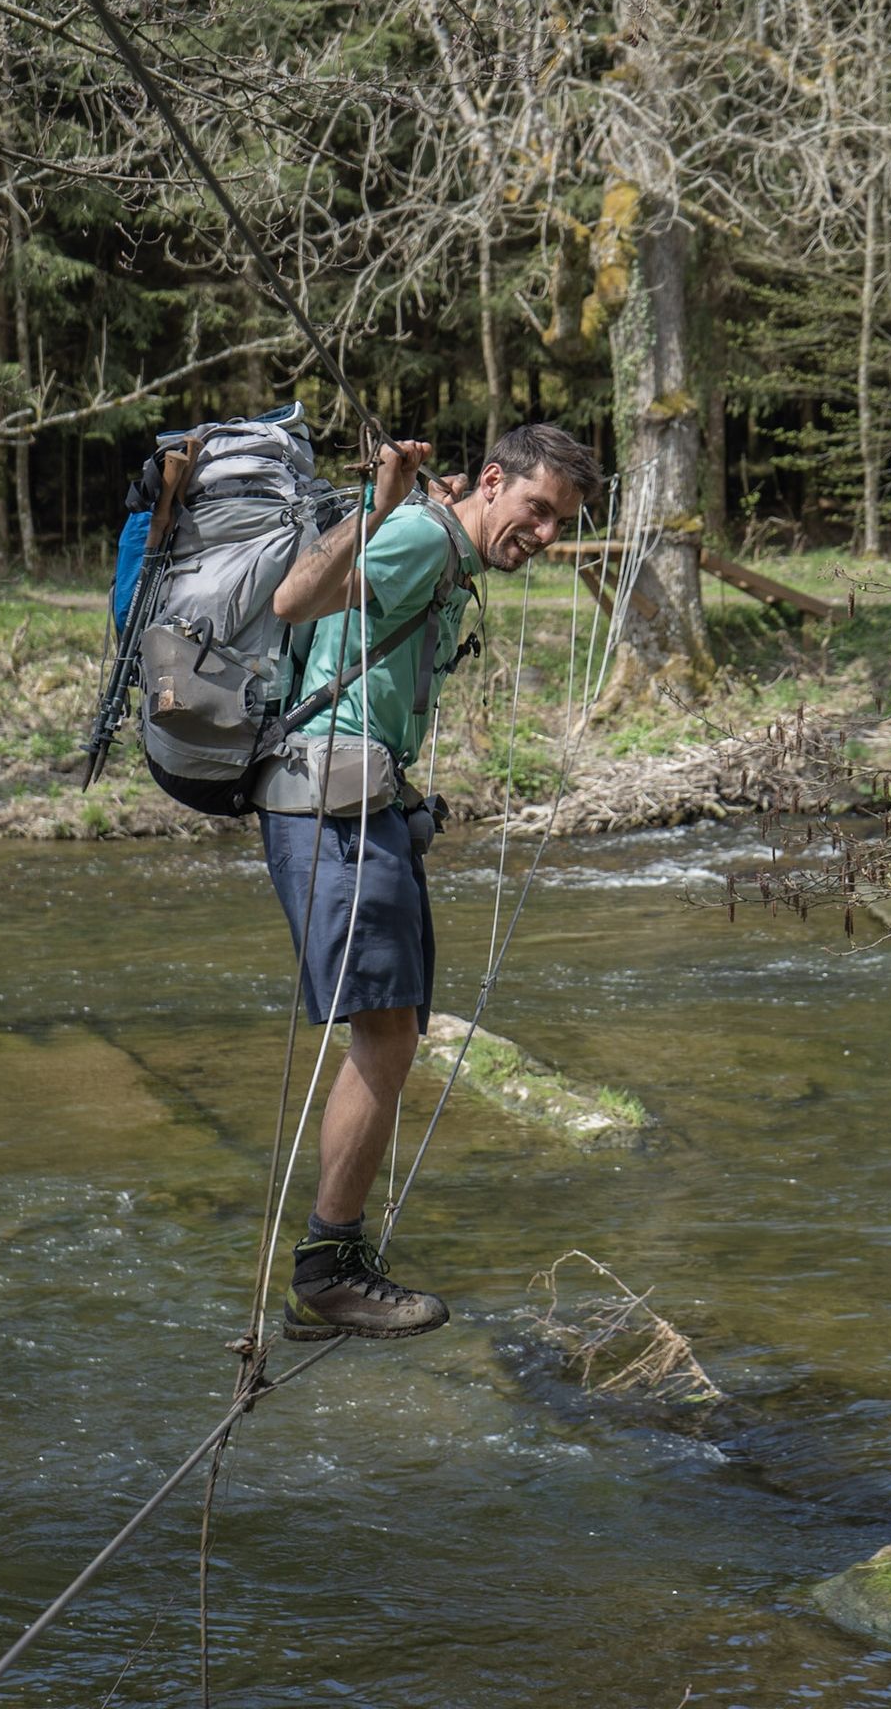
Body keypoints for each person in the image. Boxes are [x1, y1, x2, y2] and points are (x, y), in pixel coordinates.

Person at [263, 422, 603, 1342]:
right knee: (385, 1032)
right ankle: (326, 1269)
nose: (544, 536)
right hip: (333, 805)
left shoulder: (443, 542)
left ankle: (328, 1270)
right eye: (536, 510)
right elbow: (297, 599)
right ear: (492, 481)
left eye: (560, 523)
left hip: (365, 804)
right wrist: (383, 509)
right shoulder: (419, 536)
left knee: (396, 1029)